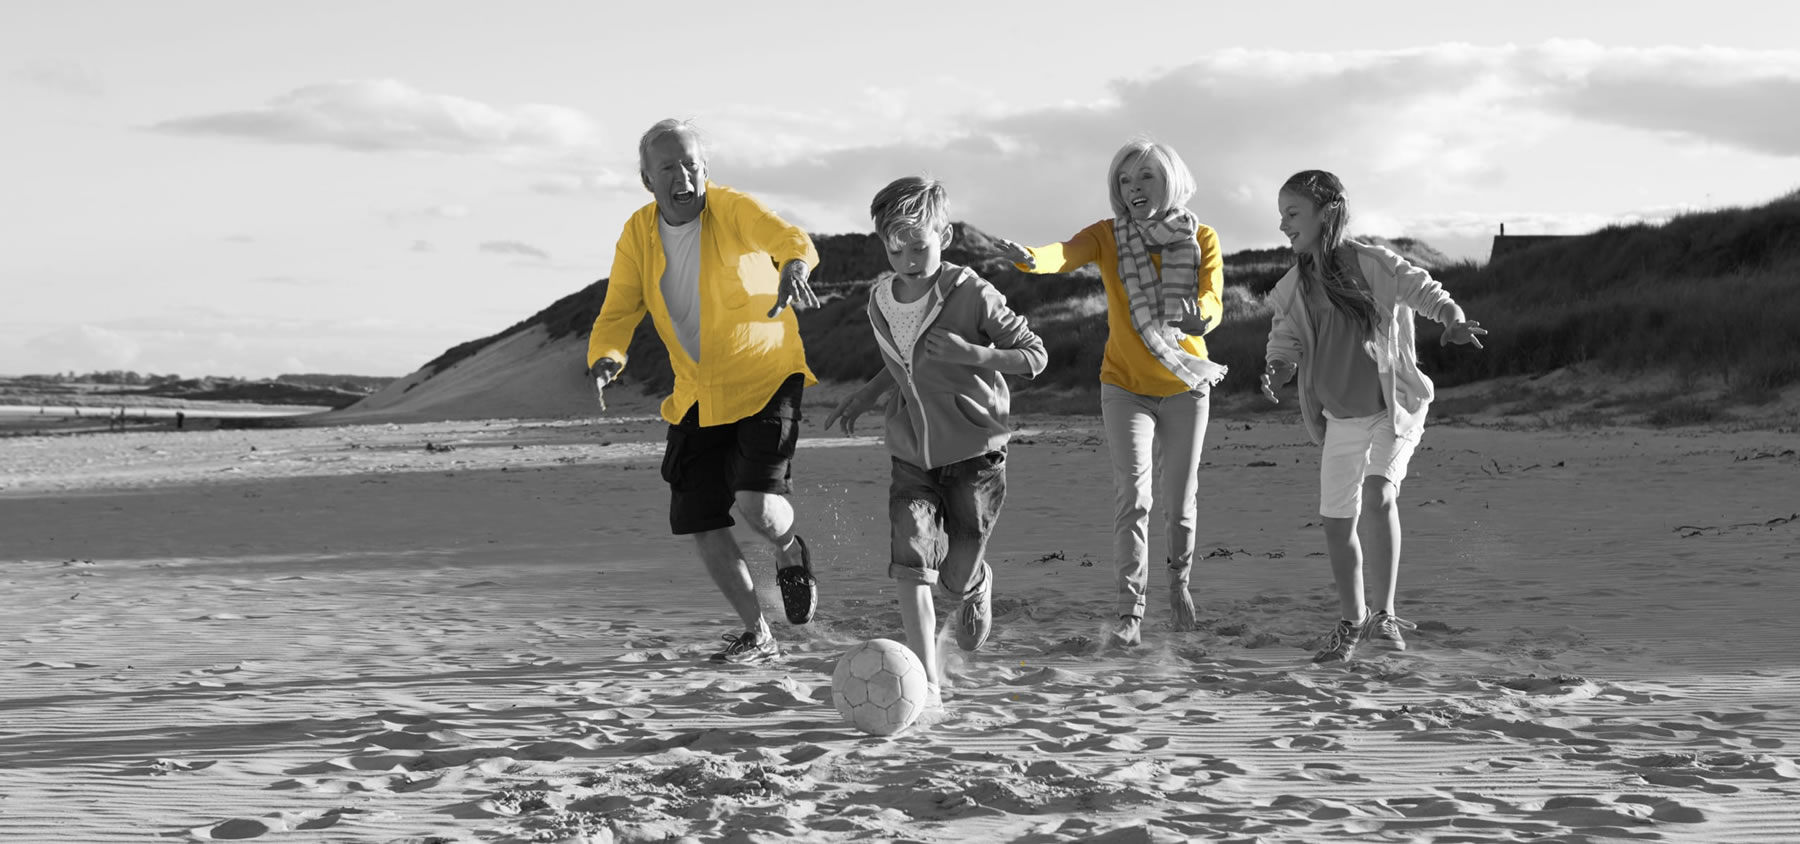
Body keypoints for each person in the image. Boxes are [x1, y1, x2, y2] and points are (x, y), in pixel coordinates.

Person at [588, 118, 824, 665]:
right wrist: (608, 355)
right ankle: (757, 634)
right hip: (698, 391)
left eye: (692, 164)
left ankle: (790, 551)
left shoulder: (732, 208)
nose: (683, 176)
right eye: (668, 166)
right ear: (647, 179)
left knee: (758, 508)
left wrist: (793, 265)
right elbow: (621, 306)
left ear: (706, 170)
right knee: (702, 518)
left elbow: (787, 236)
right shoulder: (638, 233)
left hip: (766, 373)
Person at [994, 138, 1228, 648]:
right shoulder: (1107, 236)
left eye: (1145, 177)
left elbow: (1212, 299)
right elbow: (1064, 253)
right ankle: (1130, 611)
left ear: (1170, 179)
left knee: (1180, 501)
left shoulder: (1202, 236)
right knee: (1134, 497)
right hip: (1123, 385)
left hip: (1185, 384)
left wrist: (1199, 316)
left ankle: (1179, 586)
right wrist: (1030, 258)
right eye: (1125, 180)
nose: (1134, 188)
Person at [822, 177, 1046, 703]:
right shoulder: (880, 299)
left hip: (976, 452)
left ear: (944, 233)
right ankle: (929, 686)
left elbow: (1035, 354)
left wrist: (977, 356)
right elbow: (900, 362)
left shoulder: (972, 293)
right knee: (911, 568)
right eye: (894, 247)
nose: (907, 258)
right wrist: (864, 396)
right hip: (910, 454)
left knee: (951, 577)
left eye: (919, 244)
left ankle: (974, 584)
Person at [1260, 169, 1488, 663]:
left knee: (1378, 492)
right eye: (1280, 216)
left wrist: (1451, 322)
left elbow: (1425, 290)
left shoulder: (1372, 264)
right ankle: (1352, 620)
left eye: (1292, 214)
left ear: (1327, 213)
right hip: (1340, 419)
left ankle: (1383, 615)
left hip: (1393, 407)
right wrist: (1277, 367)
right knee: (1336, 523)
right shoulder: (1296, 284)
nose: (1283, 225)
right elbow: (1285, 338)